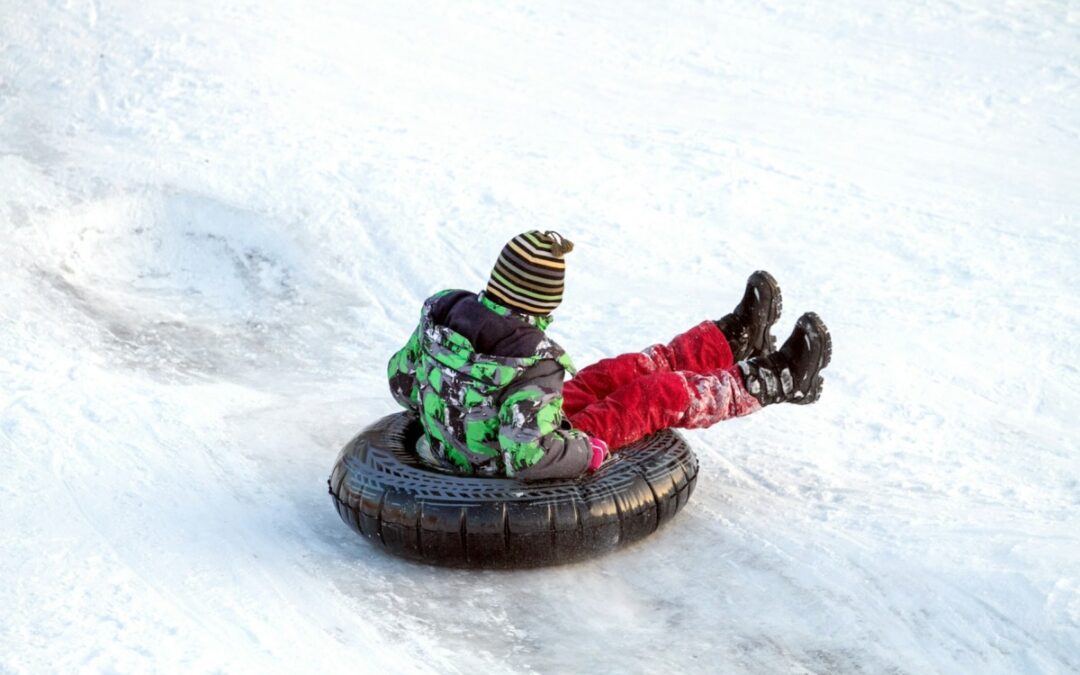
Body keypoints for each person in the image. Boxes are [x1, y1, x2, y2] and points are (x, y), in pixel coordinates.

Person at [387, 231, 832, 481]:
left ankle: (731, 341)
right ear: (543, 303)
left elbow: (402, 382)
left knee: (613, 373)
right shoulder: (530, 364)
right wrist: (587, 451)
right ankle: (775, 380)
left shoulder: (444, 315)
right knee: (654, 395)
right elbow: (528, 458)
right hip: (498, 464)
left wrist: (454, 405)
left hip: (491, 428)